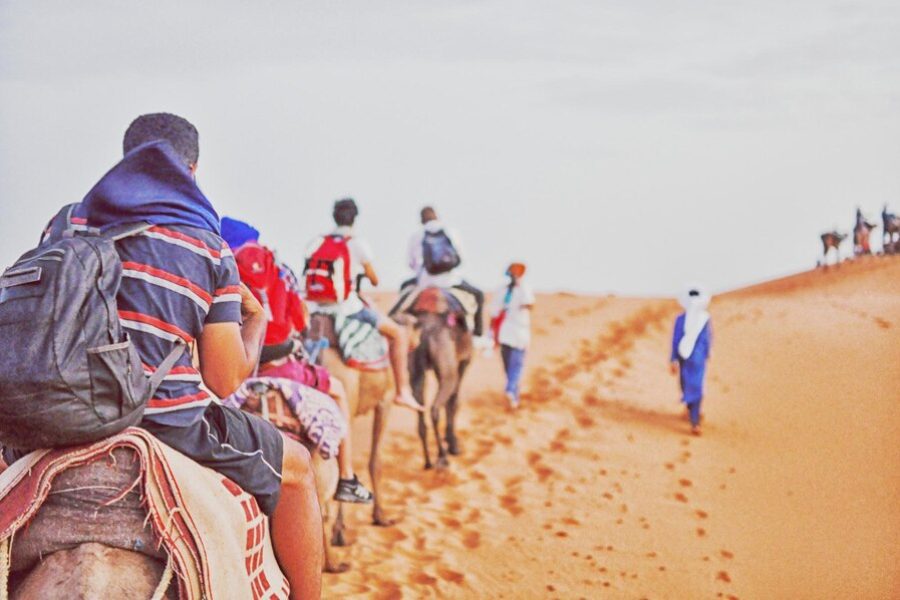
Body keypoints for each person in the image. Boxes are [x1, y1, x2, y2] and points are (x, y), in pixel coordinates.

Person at [26, 114, 323, 598]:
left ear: (126, 162)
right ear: (192, 170)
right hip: (169, 423)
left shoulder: (64, 224)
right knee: (298, 471)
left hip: (55, 417)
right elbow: (225, 380)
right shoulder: (206, 245)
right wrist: (259, 323)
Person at [221, 216, 373, 504]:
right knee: (339, 391)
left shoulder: (218, 269)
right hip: (285, 368)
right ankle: (347, 479)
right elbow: (300, 319)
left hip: (236, 372)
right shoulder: (279, 268)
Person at [304, 198, 421, 412]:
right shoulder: (356, 243)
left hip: (315, 309)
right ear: (355, 218)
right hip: (347, 310)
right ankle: (403, 390)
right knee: (398, 334)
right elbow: (374, 279)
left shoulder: (316, 242)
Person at [404, 206, 485, 336]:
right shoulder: (451, 232)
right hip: (451, 280)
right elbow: (460, 259)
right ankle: (478, 334)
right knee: (479, 295)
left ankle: (402, 333)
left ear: (421, 220)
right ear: (437, 216)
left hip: (425, 282)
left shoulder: (416, 236)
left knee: (402, 299)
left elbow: (411, 264)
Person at [489, 263, 535, 409]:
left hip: (515, 333)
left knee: (514, 365)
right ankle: (512, 392)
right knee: (511, 365)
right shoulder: (504, 291)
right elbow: (494, 313)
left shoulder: (522, 289)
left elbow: (529, 303)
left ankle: (512, 393)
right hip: (507, 333)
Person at [670, 286, 713, 436]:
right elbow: (676, 340)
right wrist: (673, 359)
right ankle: (692, 412)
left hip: (696, 359)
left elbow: (706, 339)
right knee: (687, 385)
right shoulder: (682, 320)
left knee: (695, 387)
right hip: (688, 359)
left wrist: (706, 354)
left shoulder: (703, 319)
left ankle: (695, 421)